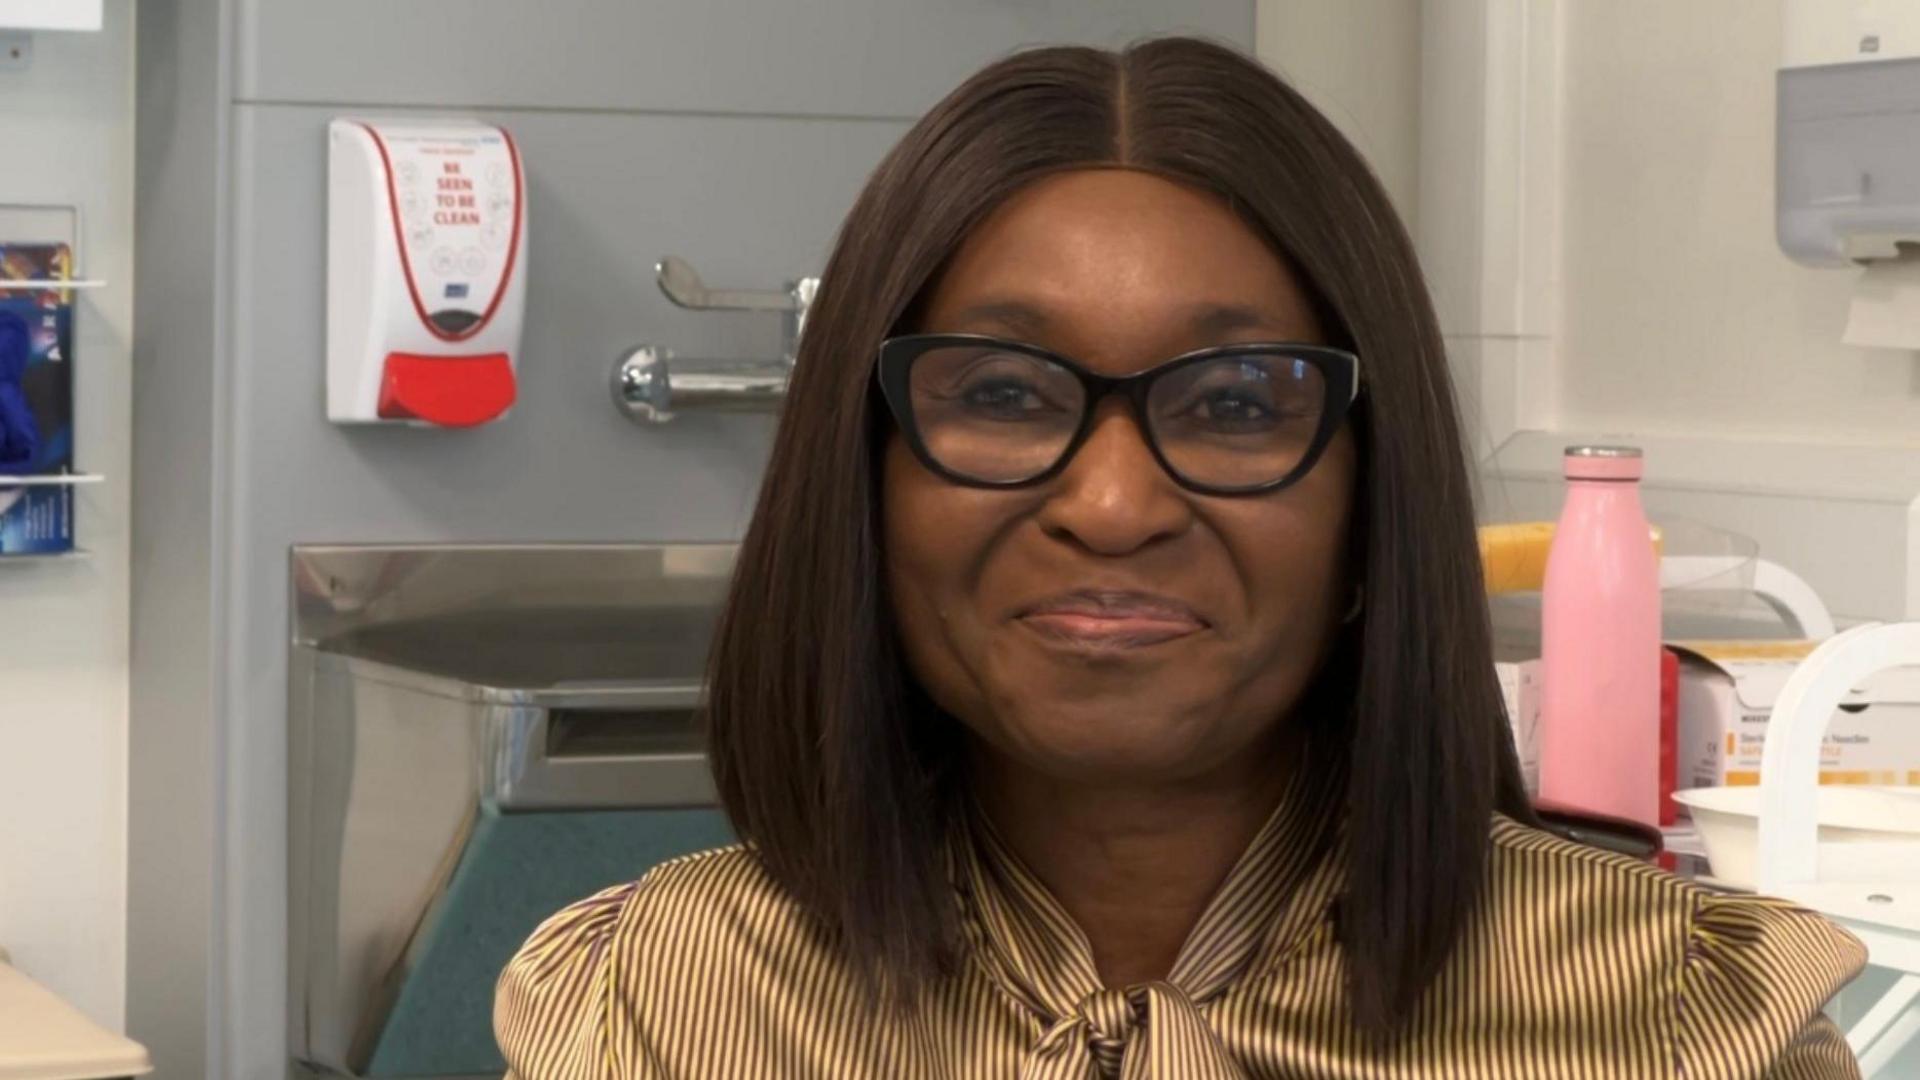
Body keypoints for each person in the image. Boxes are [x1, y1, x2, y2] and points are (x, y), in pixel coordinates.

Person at [495, 37, 1864, 1079]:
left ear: (1371, 493)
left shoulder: (1675, 1021)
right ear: (863, 480)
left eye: (1235, 403)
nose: (1110, 503)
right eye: (1004, 392)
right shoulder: (656, 1009)